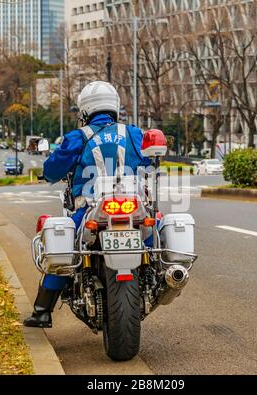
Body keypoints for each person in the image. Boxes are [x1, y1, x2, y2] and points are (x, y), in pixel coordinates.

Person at [24, 81, 151, 328]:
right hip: (134, 207)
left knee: (63, 245)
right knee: (153, 234)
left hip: (89, 209)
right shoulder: (134, 133)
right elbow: (152, 161)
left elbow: (53, 170)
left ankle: (42, 311)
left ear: (85, 110)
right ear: (114, 106)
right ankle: (159, 275)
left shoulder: (77, 137)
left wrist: (47, 172)